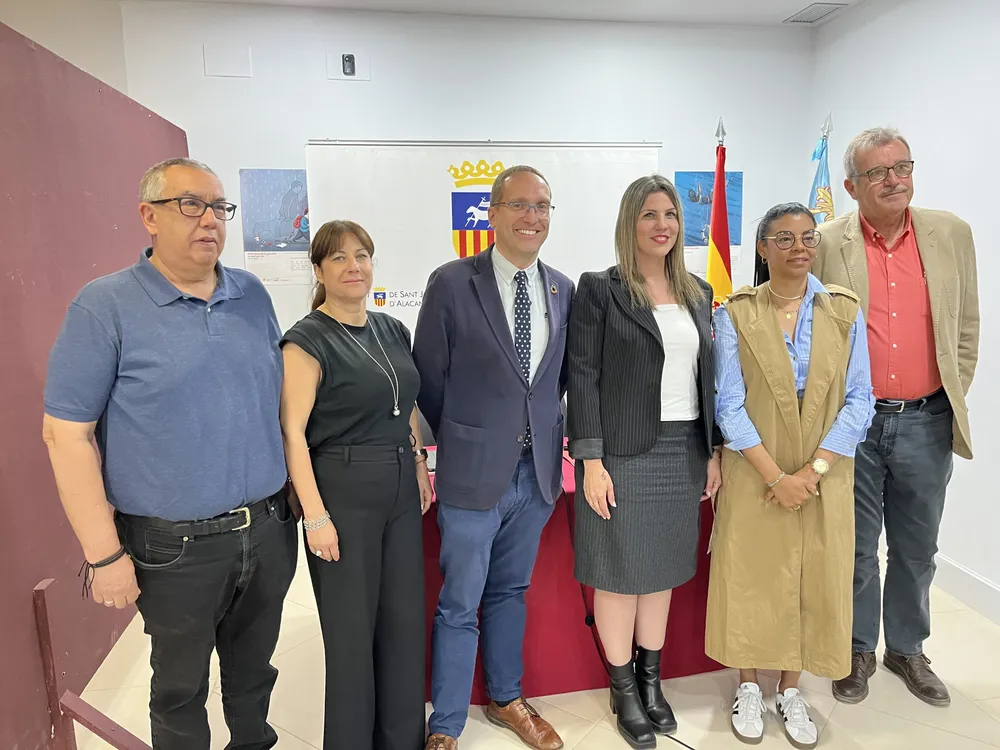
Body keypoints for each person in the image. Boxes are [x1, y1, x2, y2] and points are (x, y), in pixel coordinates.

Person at [42, 158, 296, 750]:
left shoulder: (252, 295)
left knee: (255, 672)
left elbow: (275, 402)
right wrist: (103, 555)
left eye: (218, 207)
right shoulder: (103, 306)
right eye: (191, 205)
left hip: (265, 528)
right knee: (180, 687)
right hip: (172, 546)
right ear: (148, 216)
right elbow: (66, 435)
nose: (209, 220)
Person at [813, 128, 980, 708]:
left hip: (927, 419)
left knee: (917, 546)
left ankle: (907, 649)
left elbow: (966, 327)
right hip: (852, 424)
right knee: (856, 547)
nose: (894, 180)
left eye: (902, 167)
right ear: (851, 185)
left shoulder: (951, 234)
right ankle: (858, 649)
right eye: (879, 173)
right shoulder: (828, 241)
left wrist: (949, 389)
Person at [413, 165, 573, 750]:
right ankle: (447, 724)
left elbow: (553, 383)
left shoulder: (562, 286)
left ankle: (508, 699)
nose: (533, 217)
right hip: (472, 475)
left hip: (536, 478)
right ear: (494, 212)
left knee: (510, 592)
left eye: (543, 207)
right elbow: (429, 379)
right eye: (521, 205)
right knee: (459, 602)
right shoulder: (454, 282)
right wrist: (467, 439)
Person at [708, 203, 875, 748]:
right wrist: (776, 475)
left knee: (814, 574)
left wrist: (814, 469)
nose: (799, 247)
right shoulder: (734, 314)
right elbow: (729, 403)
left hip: (825, 464)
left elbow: (859, 400)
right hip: (757, 461)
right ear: (762, 247)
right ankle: (750, 685)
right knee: (753, 572)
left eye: (808, 237)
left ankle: (791, 687)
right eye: (784, 237)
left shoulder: (844, 312)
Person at [567, 174, 722, 749]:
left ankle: (652, 680)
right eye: (650, 215)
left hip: (684, 450)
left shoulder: (699, 292)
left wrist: (712, 451)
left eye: (671, 215)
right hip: (624, 452)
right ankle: (623, 686)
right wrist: (590, 459)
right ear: (630, 223)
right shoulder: (600, 289)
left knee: (661, 572)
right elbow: (582, 376)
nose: (663, 226)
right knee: (618, 572)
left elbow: (709, 380)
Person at [279, 219, 432, 750]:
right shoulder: (305, 340)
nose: (354, 267)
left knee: (402, 623)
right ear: (318, 269)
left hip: (398, 486)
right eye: (339, 258)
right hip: (341, 490)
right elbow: (293, 435)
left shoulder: (393, 329)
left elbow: (405, 404)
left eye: (362, 255)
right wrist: (316, 515)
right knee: (350, 635)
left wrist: (416, 464)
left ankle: (402, 740)